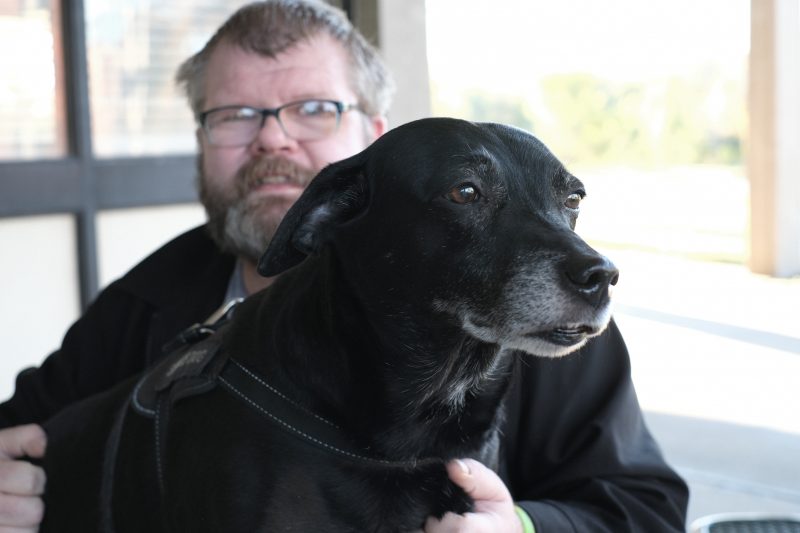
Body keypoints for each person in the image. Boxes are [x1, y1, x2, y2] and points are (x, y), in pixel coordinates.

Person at [0, 1, 688, 532]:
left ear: (376, 139)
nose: (272, 137)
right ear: (202, 143)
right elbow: (22, 428)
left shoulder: (539, 313)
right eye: (234, 115)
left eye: (315, 109)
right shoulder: (151, 297)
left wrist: (527, 525)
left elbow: (646, 506)